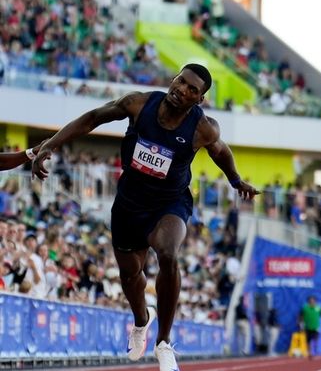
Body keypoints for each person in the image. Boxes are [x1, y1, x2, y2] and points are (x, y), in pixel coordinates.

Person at [31, 64, 259, 371]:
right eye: (181, 82)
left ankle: (164, 343)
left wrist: (235, 180)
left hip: (169, 203)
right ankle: (141, 321)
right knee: (130, 276)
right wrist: (50, 145)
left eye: (193, 89)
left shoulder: (202, 127)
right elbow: (92, 119)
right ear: (173, 79)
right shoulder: (138, 103)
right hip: (129, 203)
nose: (183, 90)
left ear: (200, 99)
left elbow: (220, 151)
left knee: (168, 252)